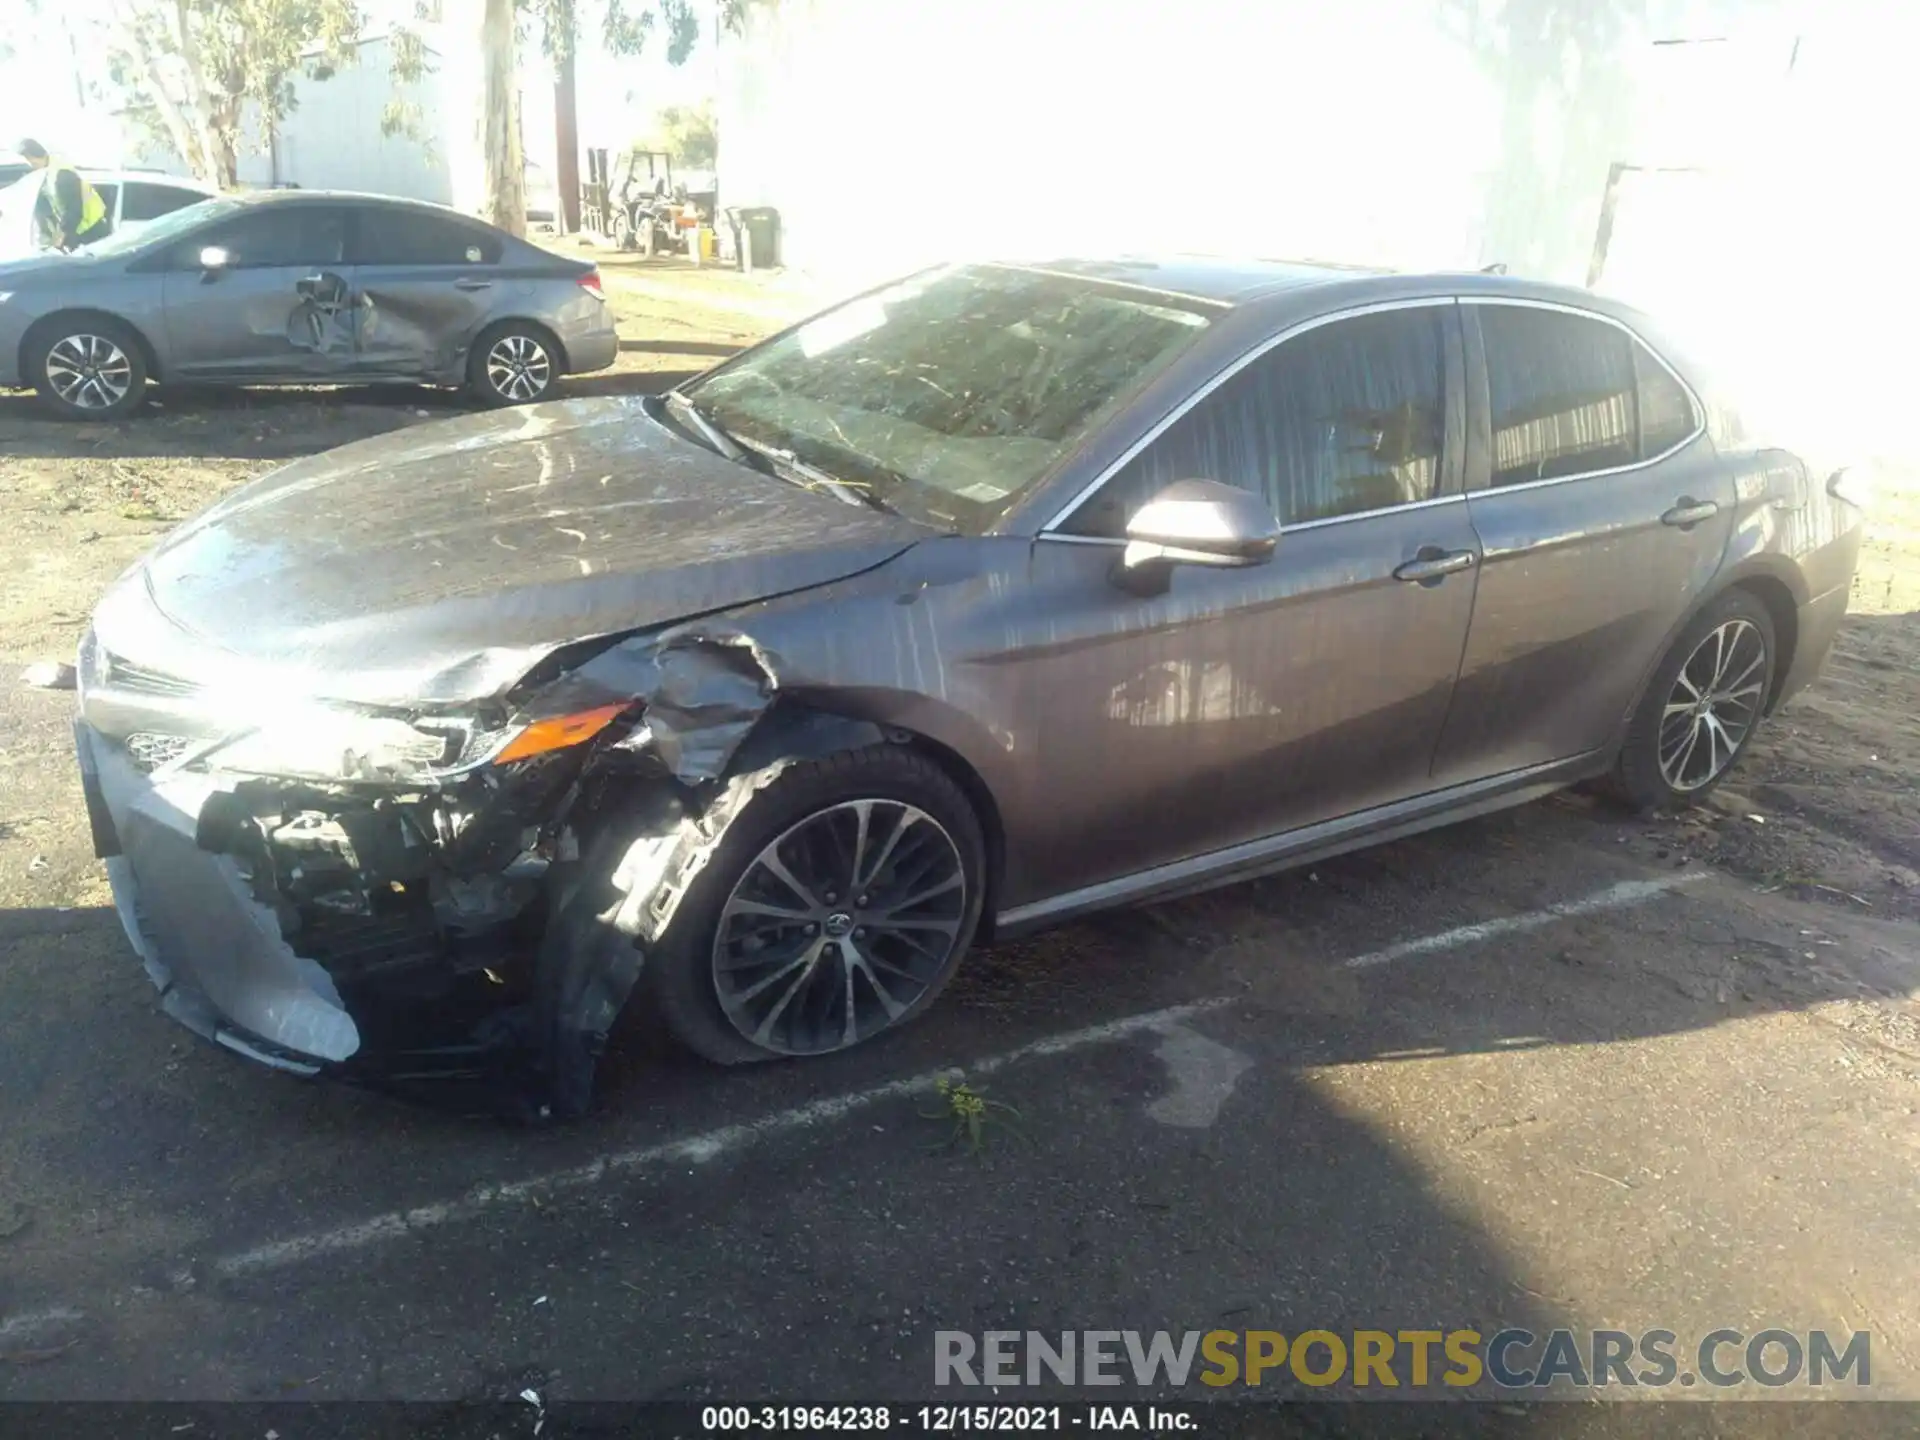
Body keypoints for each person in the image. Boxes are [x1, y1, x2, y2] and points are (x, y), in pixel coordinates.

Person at [15, 138, 110, 252]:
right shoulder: (46, 173)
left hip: (91, 232)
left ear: (33, 156)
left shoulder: (61, 173)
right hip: (81, 231)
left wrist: (60, 238)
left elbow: (73, 210)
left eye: (29, 160)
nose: (30, 165)